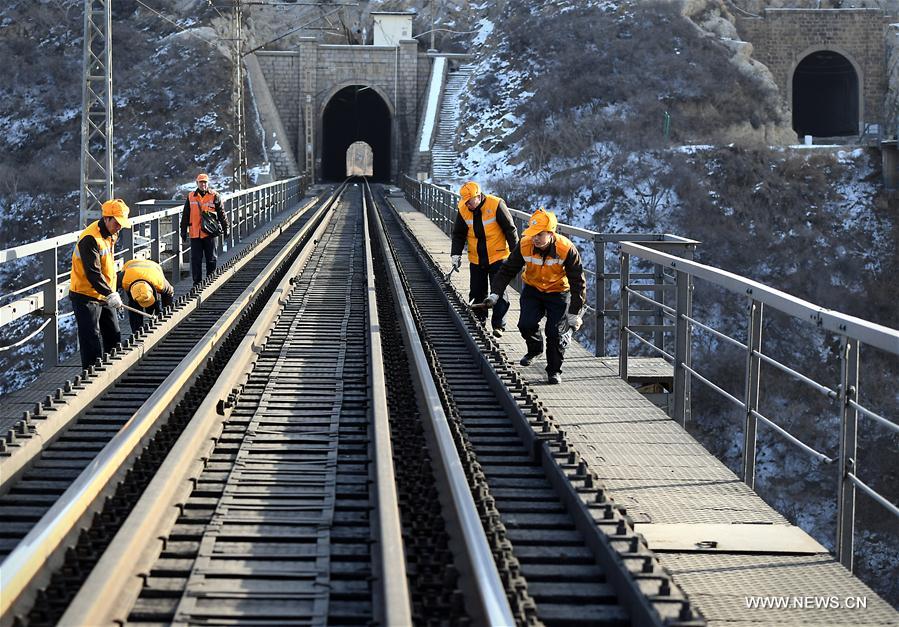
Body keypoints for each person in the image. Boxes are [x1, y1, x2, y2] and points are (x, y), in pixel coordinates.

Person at [484, 208, 585, 385]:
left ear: (551, 233)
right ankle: (535, 350)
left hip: (558, 292)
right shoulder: (525, 245)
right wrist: (495, 293)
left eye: (540, 234)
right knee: (525, 324)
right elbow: (507, 270)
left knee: (554, 333)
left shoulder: (566, 249)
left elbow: (578, 282)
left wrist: (574, 312)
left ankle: (554, 371)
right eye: (533, 234)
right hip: (533, 289)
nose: (535, 238)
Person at [450, 181, 518, 337]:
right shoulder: (463, 209)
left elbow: (510, 230)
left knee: (498, 291)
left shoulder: (496, 204)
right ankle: (478, 322)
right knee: (476, 292)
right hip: (476, 258)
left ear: (478, 196)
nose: (467, 204)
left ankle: (498, 325)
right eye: (465, 201)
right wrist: (455, 254)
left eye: (470, 201)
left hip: (498, 256)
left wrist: (517, 256)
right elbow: (458, 234)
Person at [69, 199, 131, 369]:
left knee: (113, 334)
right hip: (85, 295)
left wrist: (110, 291)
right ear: (106, 218)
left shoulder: (111, 234)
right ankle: (93, 374)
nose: (119, 227)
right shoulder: (90, 239)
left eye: (121, 224)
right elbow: (93, 273)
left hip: (104, 293)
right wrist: (110, 293)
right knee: (91, 338)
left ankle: (114, 369)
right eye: (117, 223)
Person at [180, 173, 229, 286]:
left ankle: (210, 282)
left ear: (208, 183)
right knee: (196, 259)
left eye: (205, 182)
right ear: (197, 183)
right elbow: (185, 215)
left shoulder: (215, 195)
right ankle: (197, 283)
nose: (203, 184)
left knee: (211, 258)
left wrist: (226, 228)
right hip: (195, 233)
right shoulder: (191, 196)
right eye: (201, 182)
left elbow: (221, 214)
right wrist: (183, 230)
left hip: (210, 233)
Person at [118, 259, 175, 334]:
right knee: (134, 309)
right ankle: (137, 331)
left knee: (154, 307)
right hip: (130, 268)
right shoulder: (123, 280)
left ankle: (155, 319)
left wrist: (166, 312)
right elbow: (110, 287)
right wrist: (113, 298)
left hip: (153, 268)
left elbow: (169, 293)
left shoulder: (159, 283)